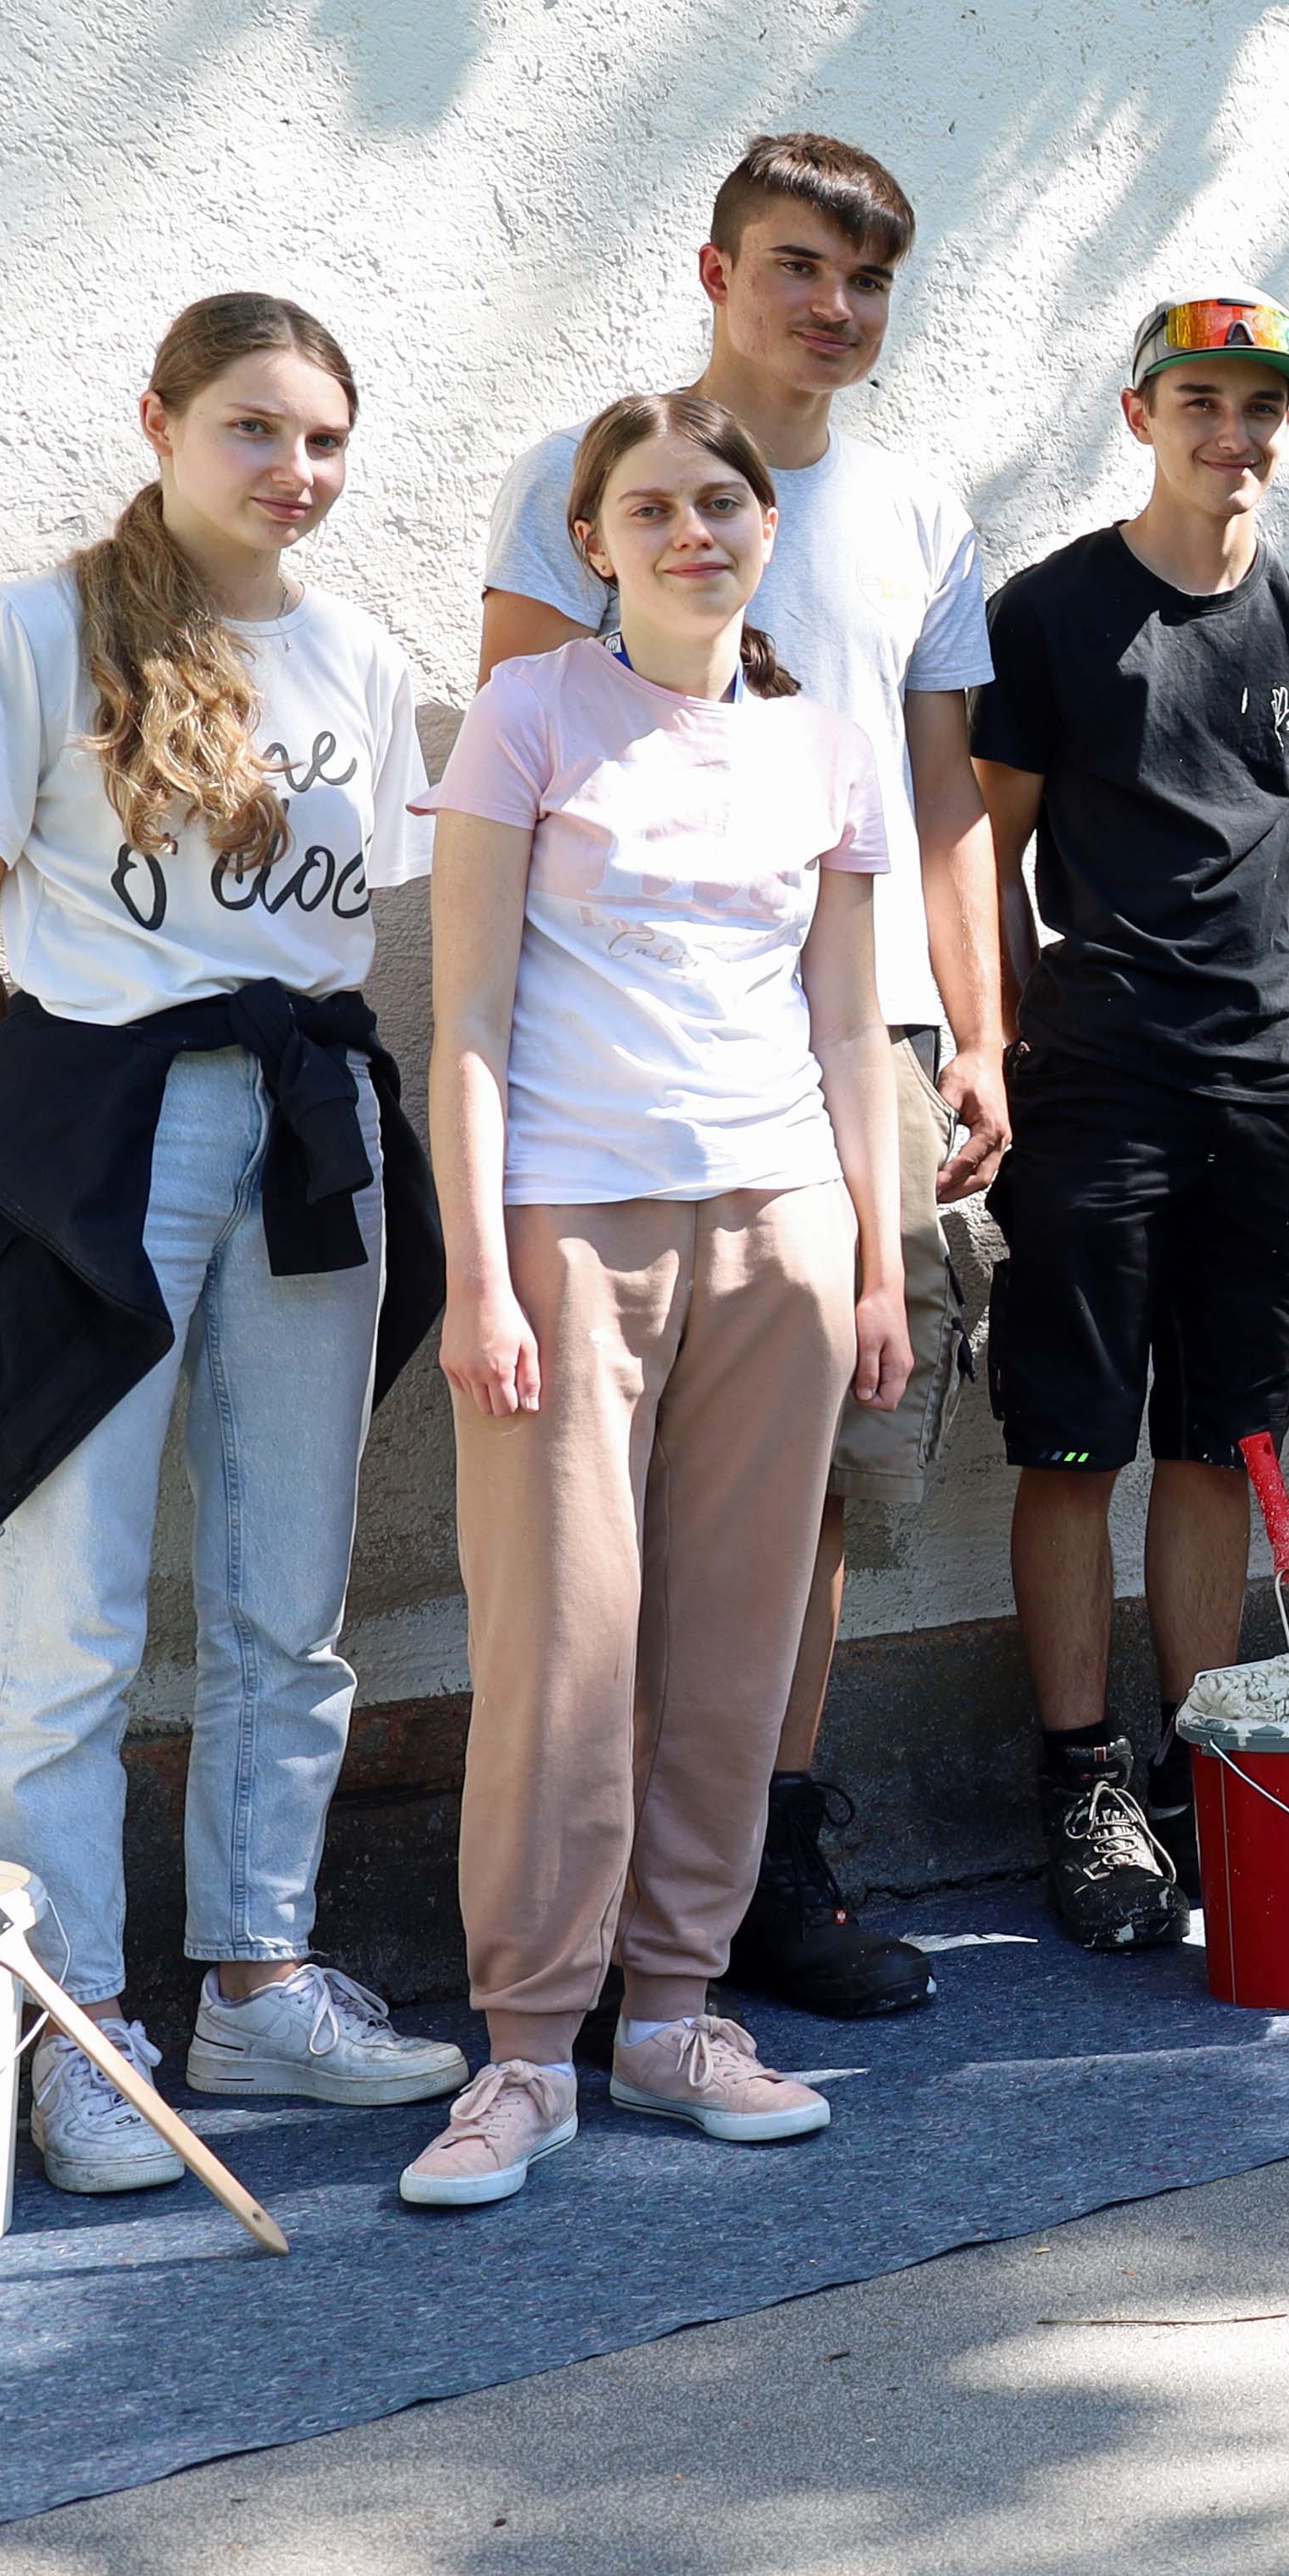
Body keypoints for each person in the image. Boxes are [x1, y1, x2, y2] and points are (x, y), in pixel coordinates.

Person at [0, 292, 465, 2195]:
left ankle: (259, 1978)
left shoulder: (362, 656)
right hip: (99, 1126)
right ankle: (74, 2029)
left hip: (309, 1127)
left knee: (289, 1592)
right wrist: (40, 1137)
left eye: (322, 441)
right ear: (159, 421)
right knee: (71, 1611)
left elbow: (346, 929)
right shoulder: (38, 628)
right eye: (252, 430)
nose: (294, 473)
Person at [474, 133, 1005, 2023]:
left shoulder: (919, 508)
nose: (832, 309)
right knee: (594, 1545)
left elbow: (945, 798)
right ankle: (580, 1942)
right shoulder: (602, 476)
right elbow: (533, 774)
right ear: (716, 271)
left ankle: (761, 1872)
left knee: (818, 1492)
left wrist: (980, 1025)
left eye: (864, 281)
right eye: (796, 268)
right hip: (619, 1090)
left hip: (859, 1053)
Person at [402, 392, 909, 2206]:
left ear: (766, 530)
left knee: (738, 1637)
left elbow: (852, 1025)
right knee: (564, 1648)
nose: (692, 528)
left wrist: (878, 1253)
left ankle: (676, 2011)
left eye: (721, 500)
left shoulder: (828, 745)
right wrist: (477, 1273)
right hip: (566, 1235)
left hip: (783, 1226)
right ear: (594, 542)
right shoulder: (531, 712)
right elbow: (461, 1022)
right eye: (649, 506)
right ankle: (528, 2045)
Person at [972, 299, 1289, 1950]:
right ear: (1140, 408)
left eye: (1261, 404)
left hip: (1263, 1097)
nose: (1234, 429)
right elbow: (981, 851)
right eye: (1201, 399)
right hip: (1096, 1090)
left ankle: (1198, 1762)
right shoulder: (1054, 616)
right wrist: (1004, 1046)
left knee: (1223, 1438)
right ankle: (1081, 1781)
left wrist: (1252, 1012)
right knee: (1073, 1437)